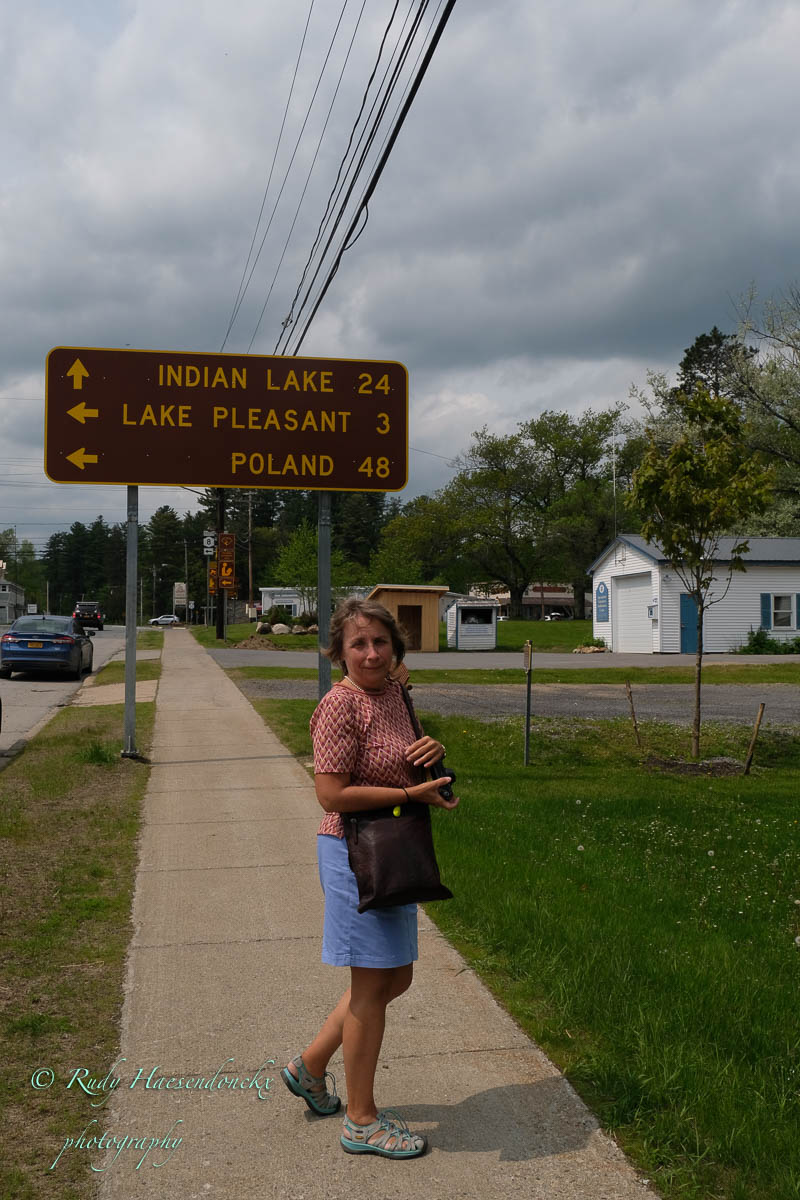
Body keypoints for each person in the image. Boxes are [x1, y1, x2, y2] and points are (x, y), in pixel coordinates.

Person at [281, 596, 459, 1159]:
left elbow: (408, 762)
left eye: (381, 641)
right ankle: (360, 1121)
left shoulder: (396, 695)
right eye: (358, 643)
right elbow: (331, 795)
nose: (371, 653)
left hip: (393, 847)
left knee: (394, 978)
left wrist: (432, 761)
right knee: (370, 988)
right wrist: (408, 792)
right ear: (339, 652)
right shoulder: (339, 706)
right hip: (353, 851)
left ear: (395, 649)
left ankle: (310, 1066)